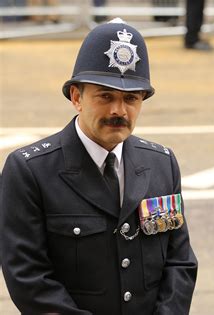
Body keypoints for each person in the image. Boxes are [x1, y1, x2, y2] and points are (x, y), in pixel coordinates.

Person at [0, 18, 197, 314]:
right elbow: (29, 278)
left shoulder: (161, 164)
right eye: (106, 96)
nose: (119, 110)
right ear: (77, 97)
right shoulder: (30, 171)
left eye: (131, 98)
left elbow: (179, 262)